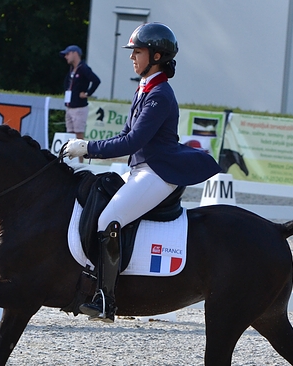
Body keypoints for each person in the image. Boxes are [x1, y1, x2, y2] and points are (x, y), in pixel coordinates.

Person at [65, 23, 221, 322]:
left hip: (158, 171)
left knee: (109, 220)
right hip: (140, 168)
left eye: (137, 52)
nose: (132, 57)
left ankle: (105, 299)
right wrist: (91, 150)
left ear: (157, 55)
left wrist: (88, 147)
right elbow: (126, 133)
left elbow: (133, 141)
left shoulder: (159, 94)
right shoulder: (145, 88)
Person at [60, 45, 100, 161]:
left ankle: (81, 162)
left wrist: (87, 93)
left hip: (79, 107)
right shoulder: (72, 69)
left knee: (78, 135)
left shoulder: (83, 68)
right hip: (70, 106)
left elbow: (96, 80)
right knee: (70, 135)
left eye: (67, 54)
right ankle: (70, 161)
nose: (66, 57)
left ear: (75, 53)